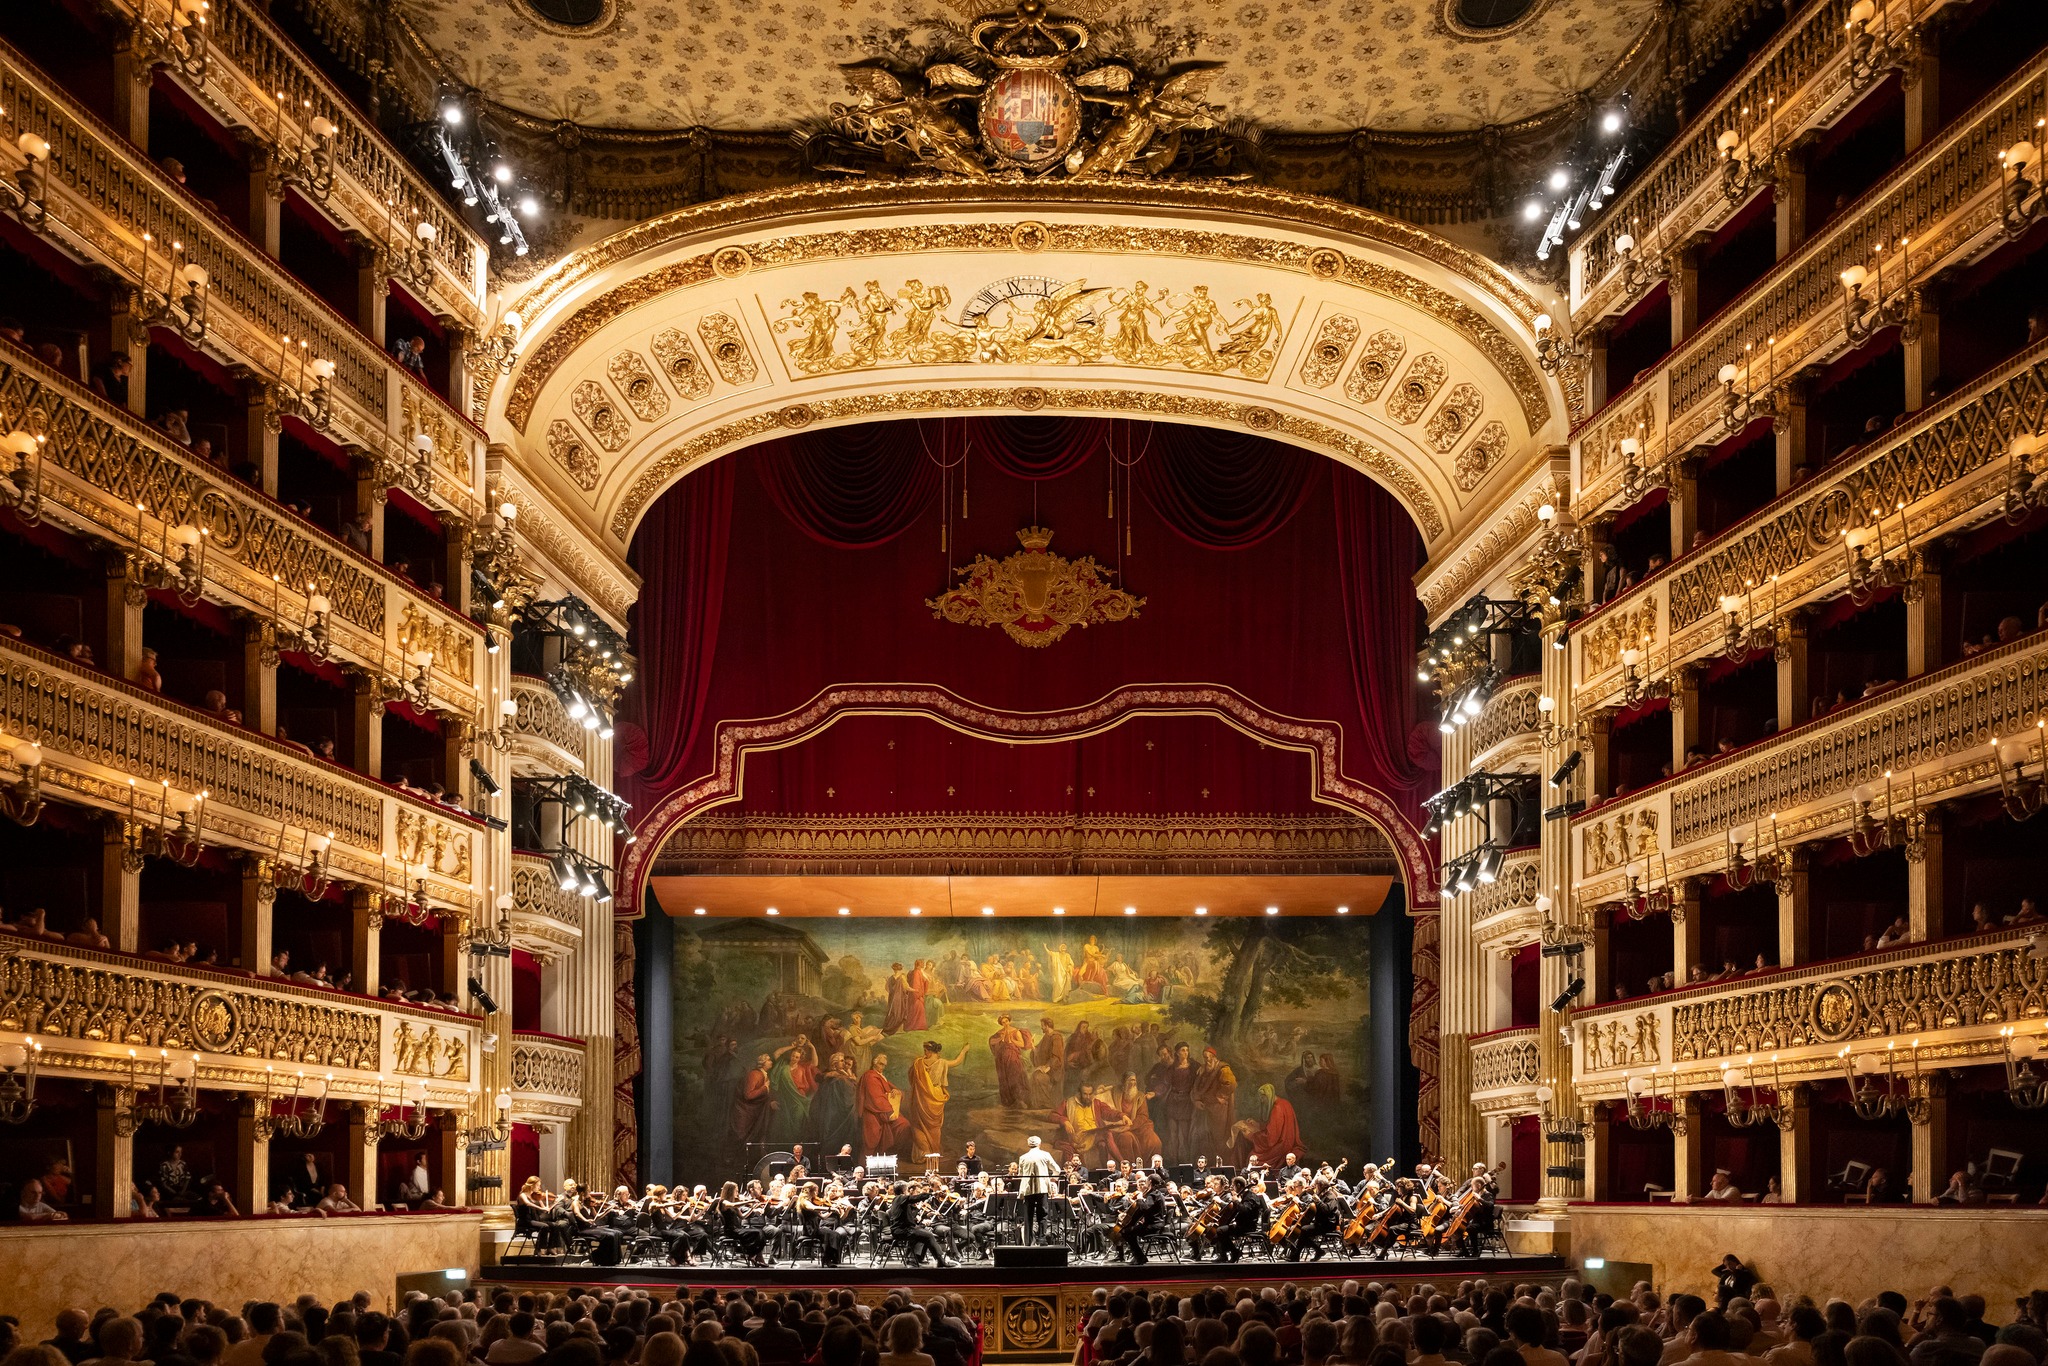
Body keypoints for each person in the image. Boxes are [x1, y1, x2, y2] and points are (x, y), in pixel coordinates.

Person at [1016, 1132, 1061, 1246]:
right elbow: (1057, 1169)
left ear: (1028, 1145)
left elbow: (1020, 1174)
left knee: (1028, 1216)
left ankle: (1028, 1241)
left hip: (1027, 1190)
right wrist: (1052, 1179)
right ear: (1039, 1144)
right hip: (1042, 1188)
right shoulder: (1045, 1155)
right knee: (1043, 1214)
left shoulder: (1023, 1157)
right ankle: (1041, 1239)